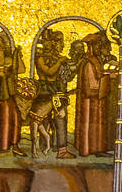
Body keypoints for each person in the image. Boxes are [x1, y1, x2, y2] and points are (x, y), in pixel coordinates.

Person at [34, 29, 74, 158]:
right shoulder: (40, 59)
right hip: (45, 93)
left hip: (58, 93)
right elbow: (49, 72)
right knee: (43, 120)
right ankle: (43, 147)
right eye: (59, 42)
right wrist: (60, 62)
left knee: (60, 120)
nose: (62, 45)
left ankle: (61, 149)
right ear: (51, 44)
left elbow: (66, 76)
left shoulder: (60, 59)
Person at [74, 32, 114, 155]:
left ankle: (98, 148)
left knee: (98, 122)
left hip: (96, 100)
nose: (98, 48)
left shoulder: (96, 60)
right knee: (90, 122)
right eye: (97, 46)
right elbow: (91, 86)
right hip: (90, 100)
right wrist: (108, 77)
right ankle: (91, 148)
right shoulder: (89, 62)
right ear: (91, 47)